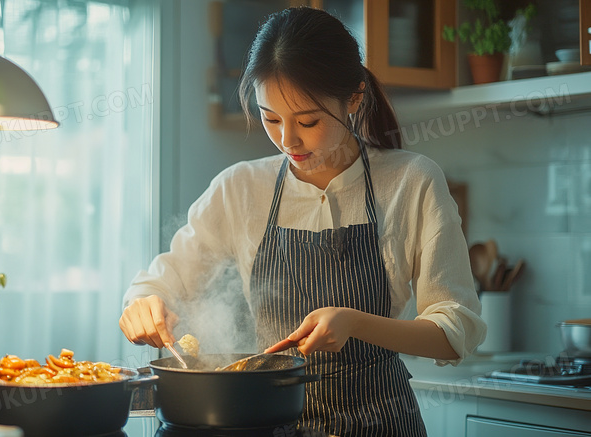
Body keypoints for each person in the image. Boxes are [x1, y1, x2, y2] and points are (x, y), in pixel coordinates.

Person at [120, 6, 485, 436]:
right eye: (271, 118)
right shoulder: (239, 189)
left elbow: (456, 330)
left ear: (354, 98)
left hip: (382, 422)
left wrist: (356, 322)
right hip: (267, 423)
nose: (287, 140)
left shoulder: (411, 180)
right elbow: (160, 283)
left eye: (308, 121)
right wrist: (142, 303)